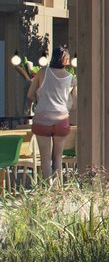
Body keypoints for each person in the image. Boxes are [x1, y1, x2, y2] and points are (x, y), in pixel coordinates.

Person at [28, 47, 77, 178]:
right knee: (58, 158)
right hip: (62, 119)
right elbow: (74, 105)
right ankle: (57, 190)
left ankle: (47, 189)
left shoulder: (43, 72)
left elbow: (30, 94)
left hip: (42, 118)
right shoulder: (71, 78)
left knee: (45, 159)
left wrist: (41, 101)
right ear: (66, 60)